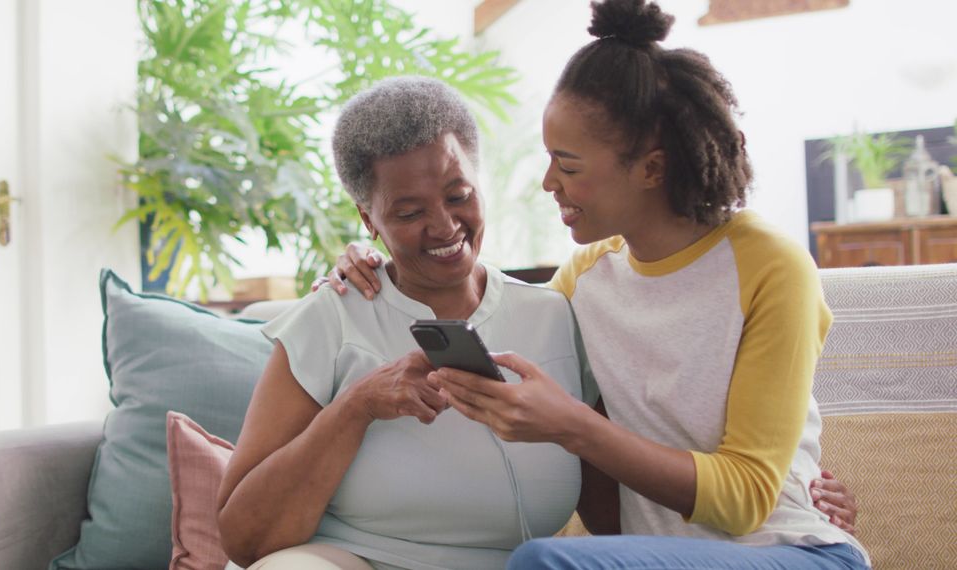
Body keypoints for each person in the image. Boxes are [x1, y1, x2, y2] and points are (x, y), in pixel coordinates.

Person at [316, 1, 869, 568]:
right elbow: (479, 292)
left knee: (544, 563)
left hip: (793, 552)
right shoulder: (584, 280)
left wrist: (572, 426)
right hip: (654, 558)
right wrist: (364, 259)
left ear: (651, 169)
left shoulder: (770, 265)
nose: (548, 181)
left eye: (570, 165)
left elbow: (748, 499)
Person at [216, 76, 604, 570]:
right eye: (409, 211)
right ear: (369, 219)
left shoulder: (554, 318)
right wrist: (357, 405)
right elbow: (243, 538)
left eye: (458, 195)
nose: (444, 226)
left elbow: (616, 514)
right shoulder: (332, 314)